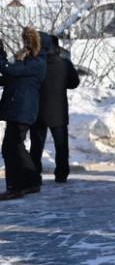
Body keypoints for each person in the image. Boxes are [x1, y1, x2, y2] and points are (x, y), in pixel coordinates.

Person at [0, 27, 47, 200]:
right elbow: (9, 76)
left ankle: (16, 186)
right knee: (17, 147)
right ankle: (32, 181)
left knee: (10, 147)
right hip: (18, 110)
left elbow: (10, 71)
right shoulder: (28, 62)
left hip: (21, 111)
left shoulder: (36, 63)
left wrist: (1, 57)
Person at [30, 33, 79, 184]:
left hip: (38, 110)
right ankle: (61, 174)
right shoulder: (64, 64)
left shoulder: (35, 64)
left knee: (36, 146)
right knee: (61, 145)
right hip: (59, 111)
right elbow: (74, 83)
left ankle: (34, 174)